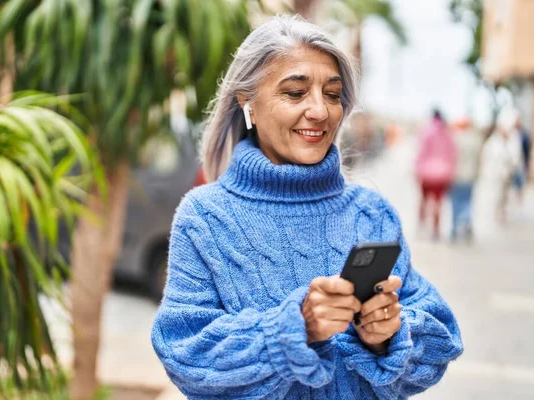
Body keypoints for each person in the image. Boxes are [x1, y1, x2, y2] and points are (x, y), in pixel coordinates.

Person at [151, 15, 463, 400]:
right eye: (296, 93)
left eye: (332, 94)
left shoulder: (372, 212)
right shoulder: (205, 216)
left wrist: (389, 334)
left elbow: (441, 340)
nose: (320, 110)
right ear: (247, 101)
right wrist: (295, 329)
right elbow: (185, 353)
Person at [415, 109, 457, 239]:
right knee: (438, 203)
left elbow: (421, 152)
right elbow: (452, 155)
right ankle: (435, 229)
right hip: (442, 174)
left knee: (424, 200)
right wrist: (450, 173)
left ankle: (421, 224)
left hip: (426, 173)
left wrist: (417, 170)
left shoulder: (427, 131)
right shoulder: (448, 134)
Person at [449, 118, 482, 242]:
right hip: (470, 176)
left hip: (456, 177)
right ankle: (467, 221)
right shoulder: (475, 140)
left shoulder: (455, 139)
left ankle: (454, 228)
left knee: (455, 204)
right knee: (467, 202)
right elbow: (479, 159)